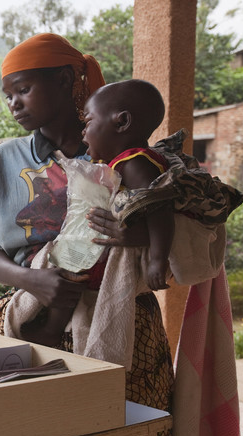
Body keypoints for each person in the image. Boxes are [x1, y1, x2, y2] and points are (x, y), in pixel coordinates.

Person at [0, 33, 173, 413]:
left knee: (131, 427)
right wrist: (33, 280)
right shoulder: (4, 159)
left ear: (64, 80)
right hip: (32, 317)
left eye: (24, 89)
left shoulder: (124, 153)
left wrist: (135, 236)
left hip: (122, 322)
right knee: (31, 427)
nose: (13, 104)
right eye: (8, 95)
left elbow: (174, 228)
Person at [82, 79, 172, 291]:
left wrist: (158, 259)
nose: (83, 132)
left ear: (122, 122)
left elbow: (160, 210)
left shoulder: (135, 163)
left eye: (88, 123)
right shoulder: (120, 163)